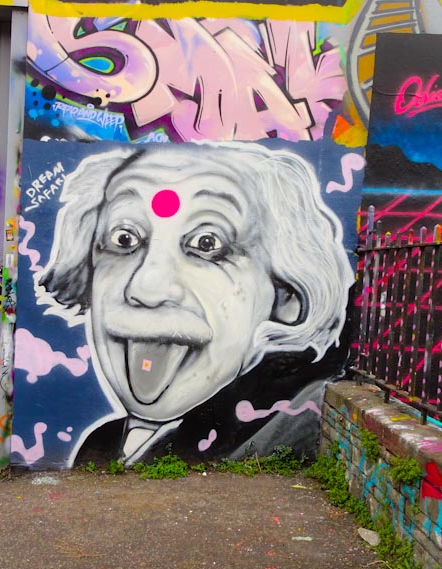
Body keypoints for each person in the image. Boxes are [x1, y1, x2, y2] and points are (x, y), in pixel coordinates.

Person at [37, 143, 353, 464]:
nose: (146, 287)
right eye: (124, 239)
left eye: (207, 243)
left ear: (285, 295)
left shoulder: (283, 435)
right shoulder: (101, 444)